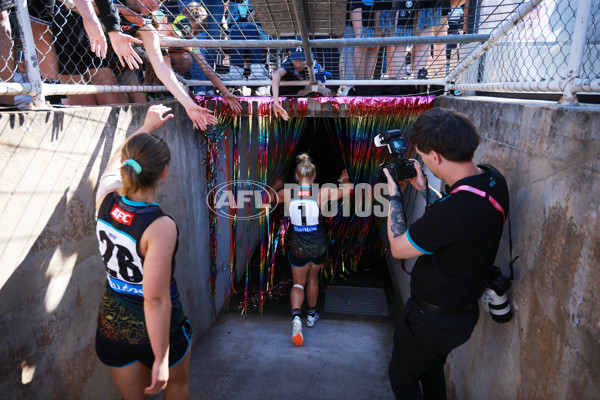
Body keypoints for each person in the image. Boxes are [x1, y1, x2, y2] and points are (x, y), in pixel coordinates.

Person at [383, 108, 509, 399]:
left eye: (424, 158)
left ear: (436, 156)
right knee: (431, 369)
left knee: (402, 377)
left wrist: (393, 194)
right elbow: (457, 217)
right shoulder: (492, 179)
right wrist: (425, 190)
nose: (425, 163)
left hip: (430, 321)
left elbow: (399, 247)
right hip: (461, 318)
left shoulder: (453, 213)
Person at [95, 104, 193, 399]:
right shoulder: (160, 226)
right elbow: (154, 298)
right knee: (176, 384)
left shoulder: (105, 196)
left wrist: (145, 127)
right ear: (164, 173)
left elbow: (114, 159)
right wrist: (161, 359)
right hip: (157, 331)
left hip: (112, 324)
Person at [275, 154, 353, 346]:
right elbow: (349, 190)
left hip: (299, 246)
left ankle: (296, 318)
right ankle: (311, 316)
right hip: (317, 245)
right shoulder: (321, 193)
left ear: (296, 175)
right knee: (312, 279)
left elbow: (265, 198)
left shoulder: (287, 193)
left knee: (298, 284)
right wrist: (345, 180)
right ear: (314, 175)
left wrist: (276, 185)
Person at [272, 48, 332, 120]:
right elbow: (276, 75)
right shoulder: (288, 63)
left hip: (301, 86)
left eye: (302, 60)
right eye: (296, 60)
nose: (298, 64)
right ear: (290, 55)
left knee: (328, 92)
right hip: (286, 90)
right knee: (314, 99)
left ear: (311, 56)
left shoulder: (313, 63)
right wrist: (276, 102)